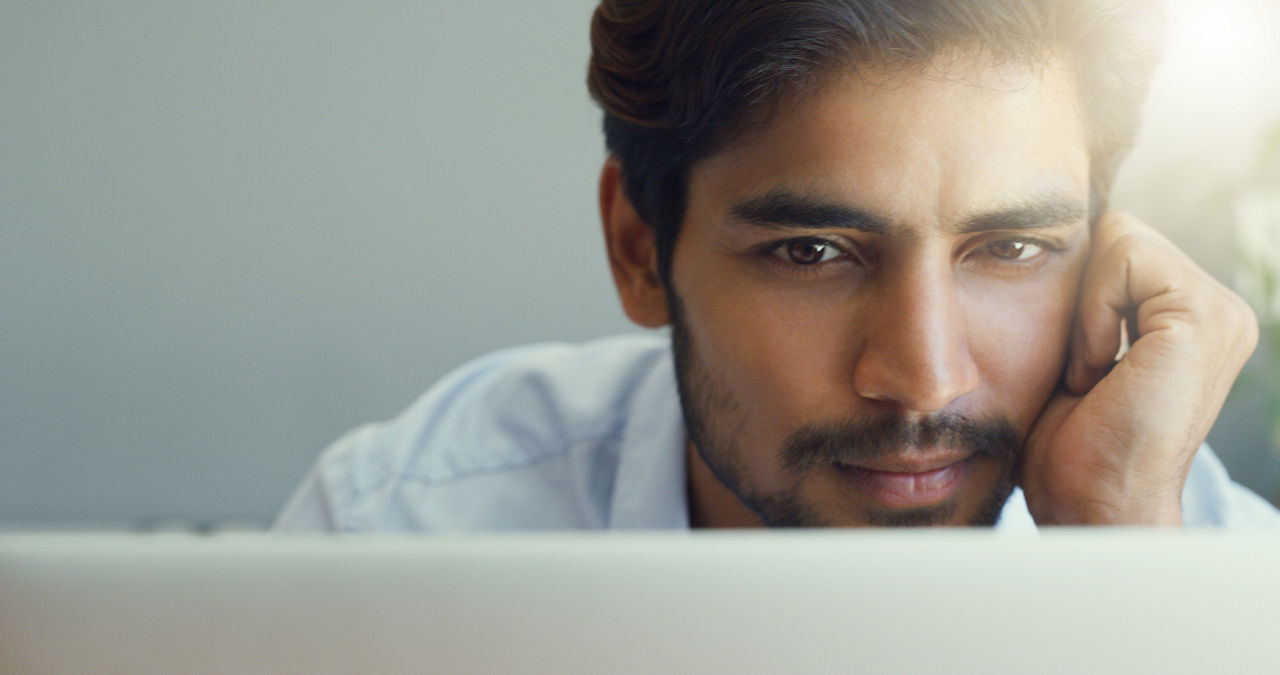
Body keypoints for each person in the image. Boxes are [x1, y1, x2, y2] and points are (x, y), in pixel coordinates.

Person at [275, 0, 1279, 532]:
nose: (924, 378)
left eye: (1009, 248)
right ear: (638, 251)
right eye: (810, 253)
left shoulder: (1198, 560)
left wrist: (1119, 568)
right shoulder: (400, 533)